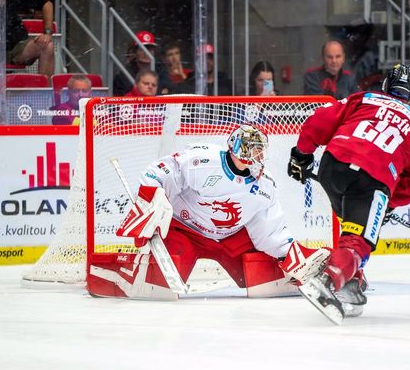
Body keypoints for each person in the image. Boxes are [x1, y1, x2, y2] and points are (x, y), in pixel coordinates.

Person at [285, 64, 410, 320]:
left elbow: (320, 120)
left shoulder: (365, 98)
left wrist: (302, 154)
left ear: (386, 85)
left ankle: (352, 280)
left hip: (333, 166)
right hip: (371, 179)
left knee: (351, 228)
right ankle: (329, 280)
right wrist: (390, 204)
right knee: (359, 242)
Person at [100, 125, 297, 299]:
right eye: (253, 150)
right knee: (162, 284)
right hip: (185, 231)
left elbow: (269, 231)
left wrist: (288, 255)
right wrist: (153, 196)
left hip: (229, 238)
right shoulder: (203, 160)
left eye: (260, 151)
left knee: (262, 280)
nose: (258, 157)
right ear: (238, 149)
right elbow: (159, 173)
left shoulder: (265, 185)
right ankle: (121, 272)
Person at [113, 30, 170, 96]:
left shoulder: (161, 70)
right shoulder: (124, 75)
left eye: (150, 49)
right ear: (135, 51)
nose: (146, 52)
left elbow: (170, 89)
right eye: (142, 49)